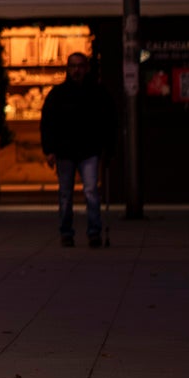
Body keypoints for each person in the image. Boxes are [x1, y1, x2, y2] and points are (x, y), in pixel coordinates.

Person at [41, 50, 114, 249]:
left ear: (86, 68)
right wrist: (49, 149)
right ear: (68, 69)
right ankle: (67, 233)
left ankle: (93, 232)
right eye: (73, 66)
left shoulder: (97, 93)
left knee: (90, 192)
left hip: (89, 149)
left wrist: (107, 147)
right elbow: (48, 123)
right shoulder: (58, 95)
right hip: (66, 151)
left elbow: (107, 121)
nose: (76, 70)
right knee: (66, 194)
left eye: (80, 66)